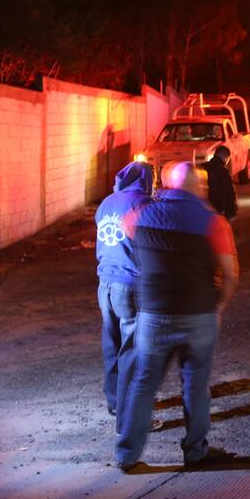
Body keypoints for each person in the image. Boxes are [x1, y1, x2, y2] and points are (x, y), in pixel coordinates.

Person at [114, 162, 239, 471]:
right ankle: (196, 451)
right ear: (198, 187)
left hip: (153, 314)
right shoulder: (214, 223)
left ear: (168, 185)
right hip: (198, 314)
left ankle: (127, 454)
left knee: (144, 383)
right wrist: (218, 306)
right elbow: (230, 274)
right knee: (196, 385)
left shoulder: (139, 214)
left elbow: (127, 242)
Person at [95, 161, 153, 427]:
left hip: (104, 282)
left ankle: (115, 401)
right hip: (129, 283)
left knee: (112, 343)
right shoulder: (143, 204)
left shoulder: (106, 203)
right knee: (131, 348)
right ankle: (129, 409)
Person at [201, 145, 237, 222]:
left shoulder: (202, 167)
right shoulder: (223, 172)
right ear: (226, 158)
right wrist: (231, 212)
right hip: (216, 210)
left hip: (201, 207)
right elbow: (229, 193)